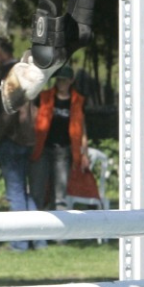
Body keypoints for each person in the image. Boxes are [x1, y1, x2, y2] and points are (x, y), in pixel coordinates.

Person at [0, 37, 44, 251]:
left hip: (12, 138)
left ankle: (20, 243)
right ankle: (40, 239)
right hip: (28, 137)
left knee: (15, 192)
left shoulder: (9, 74)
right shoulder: (26, 71)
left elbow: (10, 108)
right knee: (22, 191)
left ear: (0, 52)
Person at [30, 65, 89, 229]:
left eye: (64, 80)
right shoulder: (44, 97)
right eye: (59, 80)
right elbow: (33, 118)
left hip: (63, 151)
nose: (61, 83)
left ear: (71, 81)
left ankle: (58, 233)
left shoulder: (78, 100)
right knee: (37, 191)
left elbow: (83, 129)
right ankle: (35, 230)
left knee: (59, 195)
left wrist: (84, 152)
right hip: (42, 150)